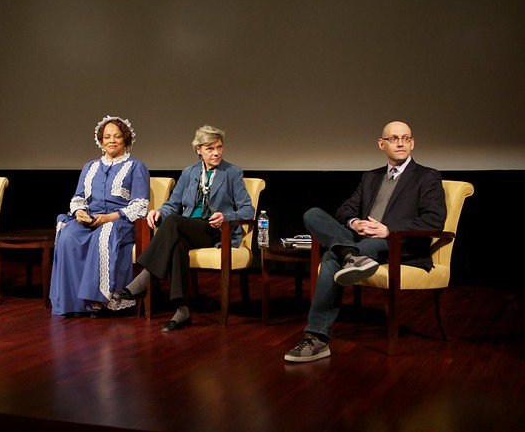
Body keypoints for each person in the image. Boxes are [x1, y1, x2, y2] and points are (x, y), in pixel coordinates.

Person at [284, 121, 447, 363]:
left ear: (412, 143)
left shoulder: (427, 176)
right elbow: (346, 209)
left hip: (396, 244)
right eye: (393, 138)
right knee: (313, 214)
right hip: (362, 239)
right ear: (381, 144)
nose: (400, 143)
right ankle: (351, 253)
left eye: (405, 138)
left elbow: (434, 221)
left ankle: (317, 338)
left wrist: (388, 230)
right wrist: (354, 223)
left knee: (331, 256)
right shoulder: (371, 177)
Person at [112, 125, 254, 332]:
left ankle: (144, 277)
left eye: (219, 147)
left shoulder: (232, 172)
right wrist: (158, 211)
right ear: (199, 150)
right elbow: (173, 203)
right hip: (187, 228)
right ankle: (182, 310)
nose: (216, 153)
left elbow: (248, 209)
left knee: (173, 223)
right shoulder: (189, 173)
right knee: (176, 243)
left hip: (215, 230)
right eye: (210, 148)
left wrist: (226, 216)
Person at [49, 115, 150, 317]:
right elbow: (78, 197)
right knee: (67, 234)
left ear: (125, 139)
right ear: (101, 141)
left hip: (119, 222)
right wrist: (79, 212)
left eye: (117, 136)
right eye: (107, 137)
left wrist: (109, 217)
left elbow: (140, 205)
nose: (112, 141)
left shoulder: (136, 166)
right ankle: (73, 302)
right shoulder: (90, 166)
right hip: (91, 219)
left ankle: (97, 301)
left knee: (104, 234)